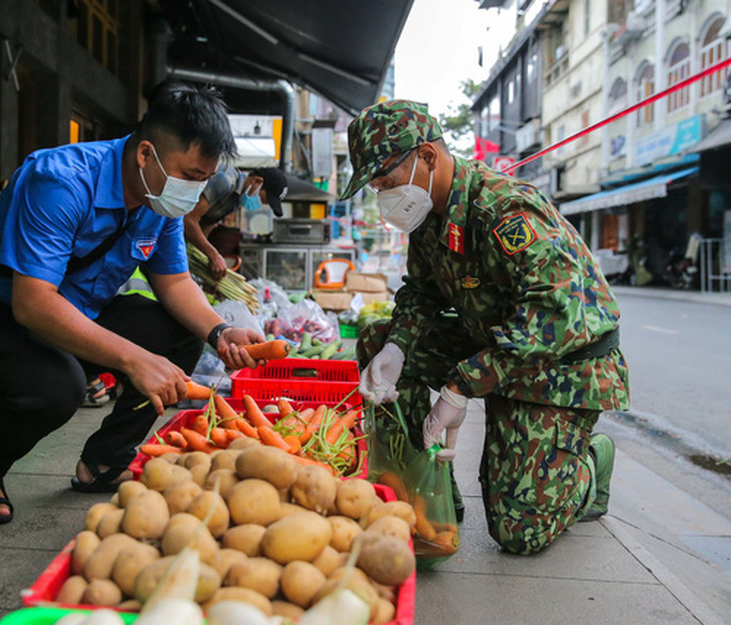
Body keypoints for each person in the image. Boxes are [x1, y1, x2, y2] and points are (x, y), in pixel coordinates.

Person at [0, 83, 266, 524]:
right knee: (58, 388)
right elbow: (33, 305)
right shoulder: (60, 180)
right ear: (145, 154)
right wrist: (134, 360)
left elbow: (176, 283)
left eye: (203, 180)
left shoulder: (158, 200)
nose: (192, 192)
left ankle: (104, 460)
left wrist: (220, 332)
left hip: (73, 315)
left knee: (183, 335)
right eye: (188, 176)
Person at [340, 100, 630, 555]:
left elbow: (553, 316)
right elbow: (422, 294)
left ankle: (590, 463)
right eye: (376, 186)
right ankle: (426, 489)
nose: (384, 195)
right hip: (493, 345)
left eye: (387, 181)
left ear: (428, 157)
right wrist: (396, 348)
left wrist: (460, 387)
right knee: (379, 340)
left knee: (519, 533)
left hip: (561, 365)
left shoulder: (505, 211)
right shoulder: (426, 218)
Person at [184, 165, 288, 279]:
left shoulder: (236, 201)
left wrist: (206, 270)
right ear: (257, 181)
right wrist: (213, 255)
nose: (260, 204)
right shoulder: (225, 181)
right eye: (263, 199)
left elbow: (205, 227)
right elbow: (188, 219)